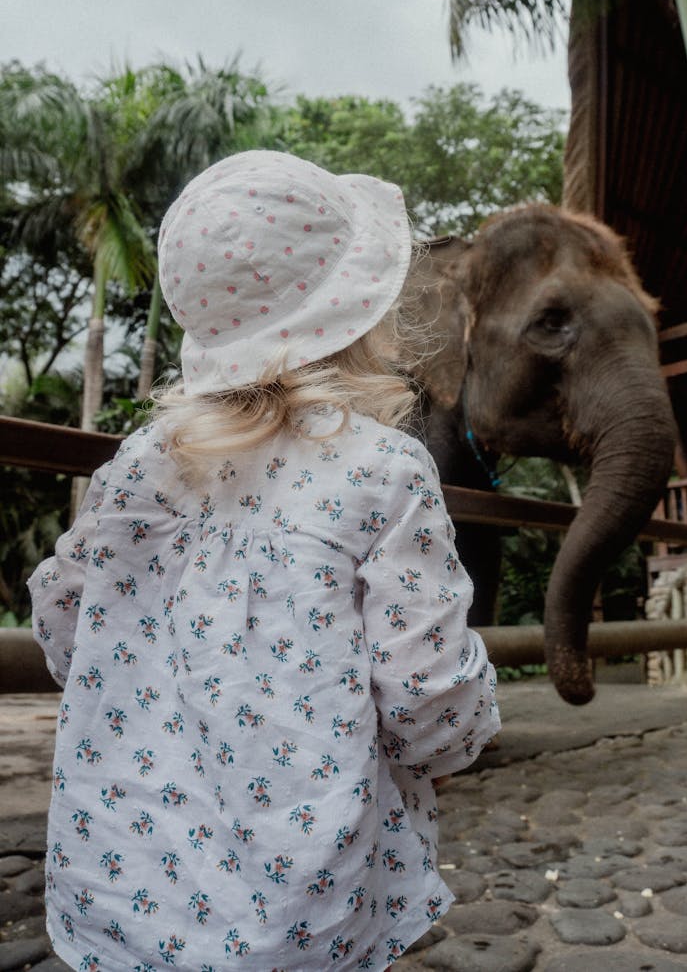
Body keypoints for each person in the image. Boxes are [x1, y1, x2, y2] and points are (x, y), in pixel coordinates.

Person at [29, 150, 500, 972]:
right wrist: (456, 742)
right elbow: (427, 693)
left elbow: (67, 630)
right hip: (303, 896)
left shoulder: (140, 463)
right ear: (359, 316)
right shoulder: (380, 470)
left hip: (120, 875)